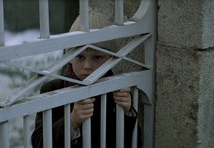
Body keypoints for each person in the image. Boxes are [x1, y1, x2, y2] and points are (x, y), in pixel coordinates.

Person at [31, 7, 140, 148]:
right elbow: (39, 143)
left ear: (111, 59)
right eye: (79, 56)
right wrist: (71, 121)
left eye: (97, 57)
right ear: (69, 57)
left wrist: (126, 113)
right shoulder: (52, 90)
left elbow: (133, 142)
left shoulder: (116, 92)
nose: (87, 66)